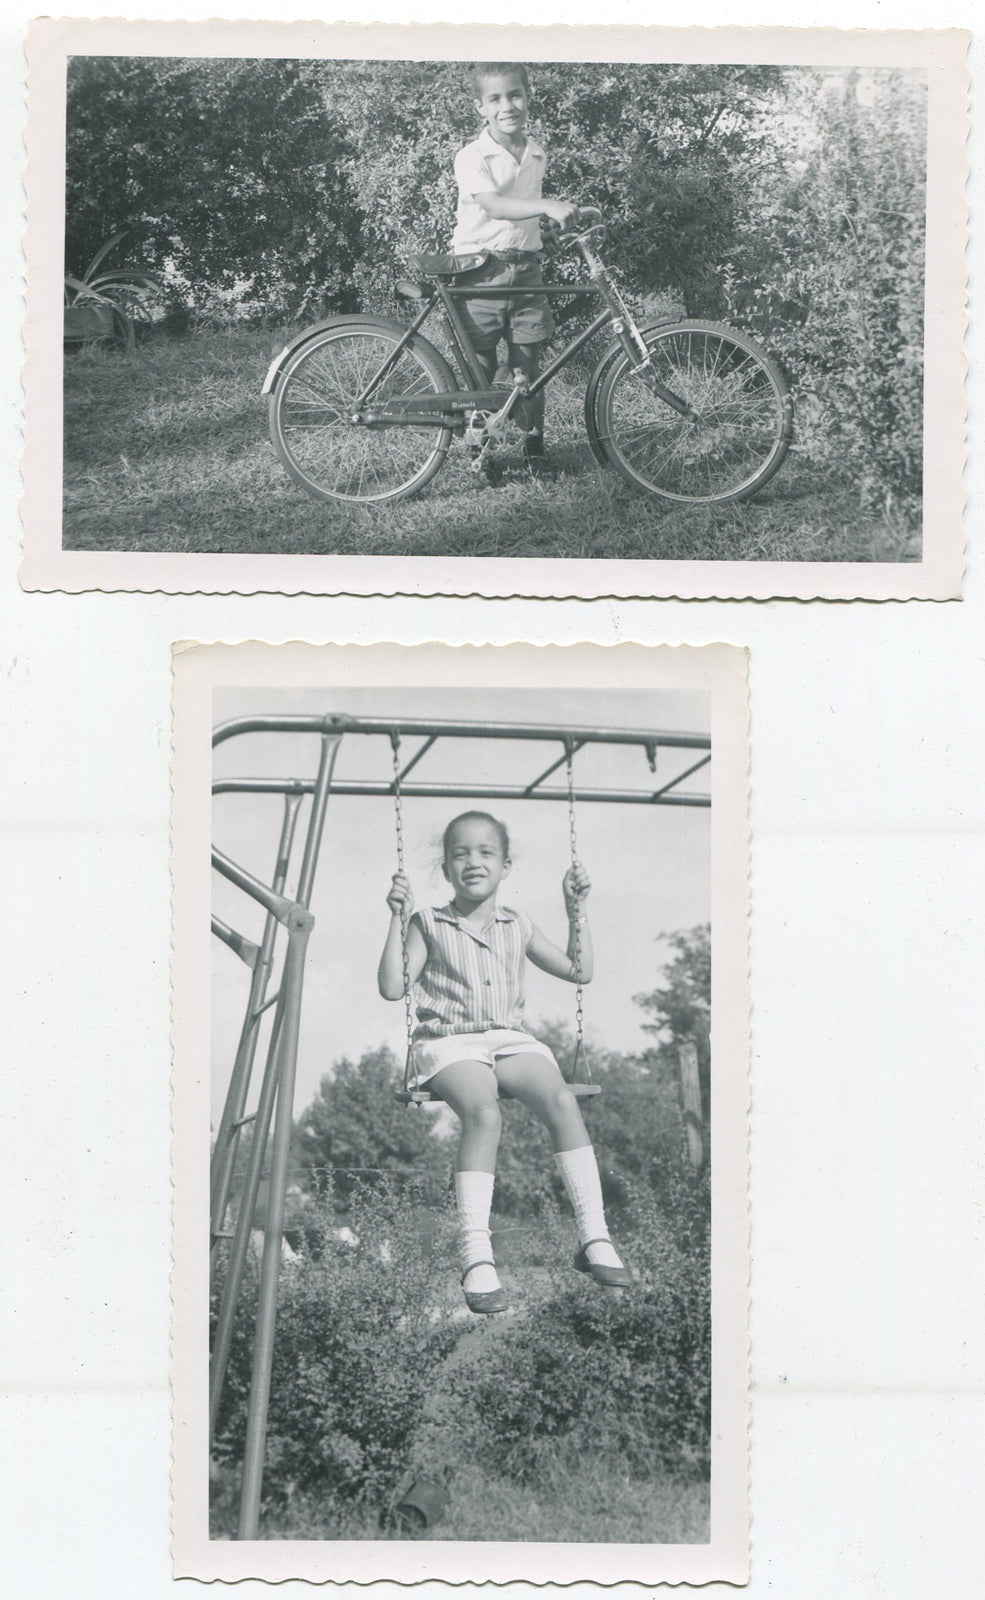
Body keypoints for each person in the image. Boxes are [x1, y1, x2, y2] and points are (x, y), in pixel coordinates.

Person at [378, 809, 630, 1315]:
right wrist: (395, 917)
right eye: (460, 854)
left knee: (561, 1098)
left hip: (509, 1039)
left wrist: (575, 910)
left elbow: (580, 971)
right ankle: (476, 1255)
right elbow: (391, 987)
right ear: (446, 869)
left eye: (486, 852)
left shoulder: (519, 924)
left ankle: (593, 1236)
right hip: (449, 1042)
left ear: (505, 865)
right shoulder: (427, 923)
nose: (474, 862)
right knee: (483, 1111)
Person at [450, 63, 580, 477]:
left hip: (525, 271)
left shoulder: (537, 152)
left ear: (528, 96)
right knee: (482, 367)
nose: (508, 106)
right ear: (480, 108)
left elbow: (522, 214)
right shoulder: (471, 156)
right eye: (495, 98)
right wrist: (546, 206)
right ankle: (479, 447)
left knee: (529, 367)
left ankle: (533, 444)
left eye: (515, 95)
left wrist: (547, 230)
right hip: (478, 272)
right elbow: (494, 206)